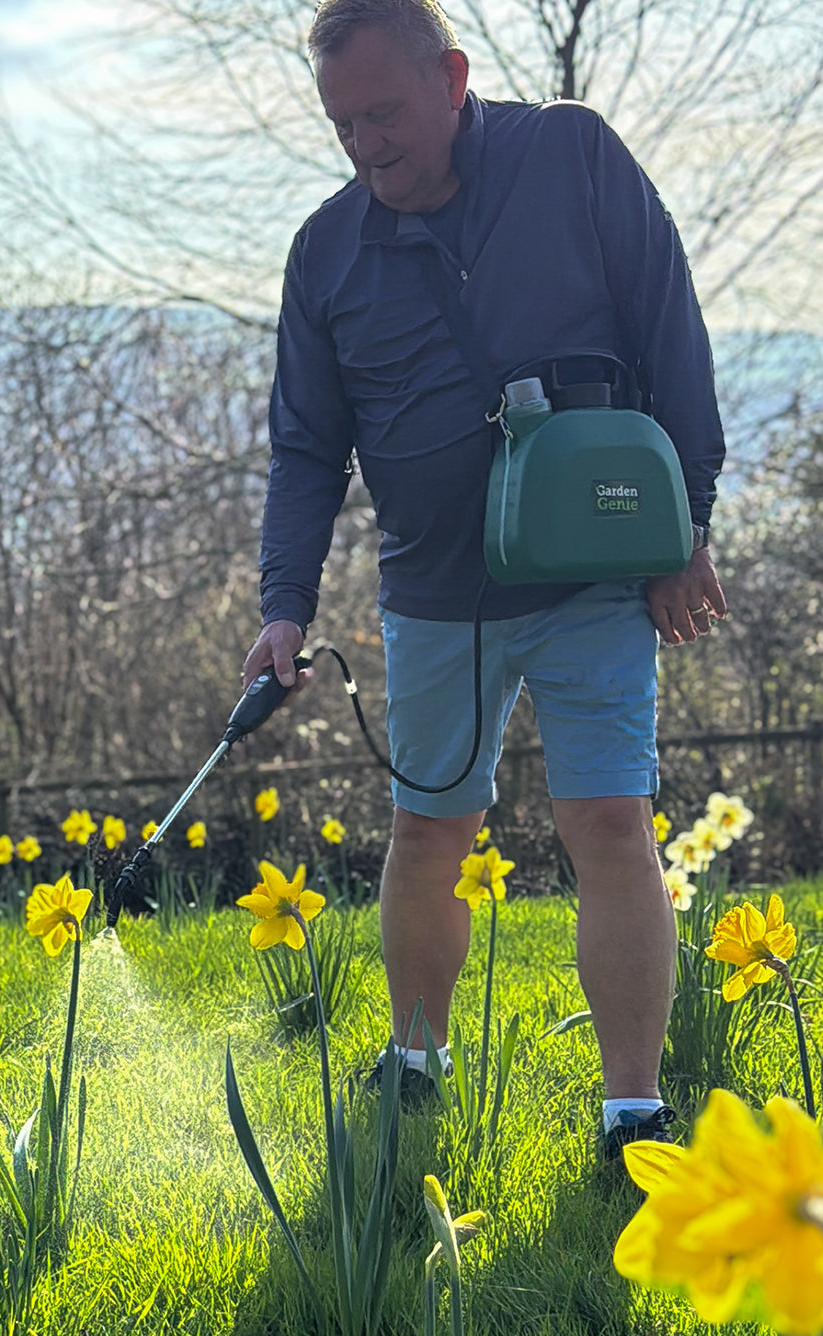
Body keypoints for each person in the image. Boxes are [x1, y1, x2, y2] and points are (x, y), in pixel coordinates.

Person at [240, 0, 726, 1159]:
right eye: (342, 123)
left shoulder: (571, 154)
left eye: (384, 113)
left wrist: (685, 528)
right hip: (436, 595)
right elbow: (306, 450)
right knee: (427, 833)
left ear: (452, 78)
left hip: (594, 573)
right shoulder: (325, 250)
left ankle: (633, 1110)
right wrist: (284, 606)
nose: (365, 144)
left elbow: (673, 334)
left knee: (611, 824)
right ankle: (415, 1062)